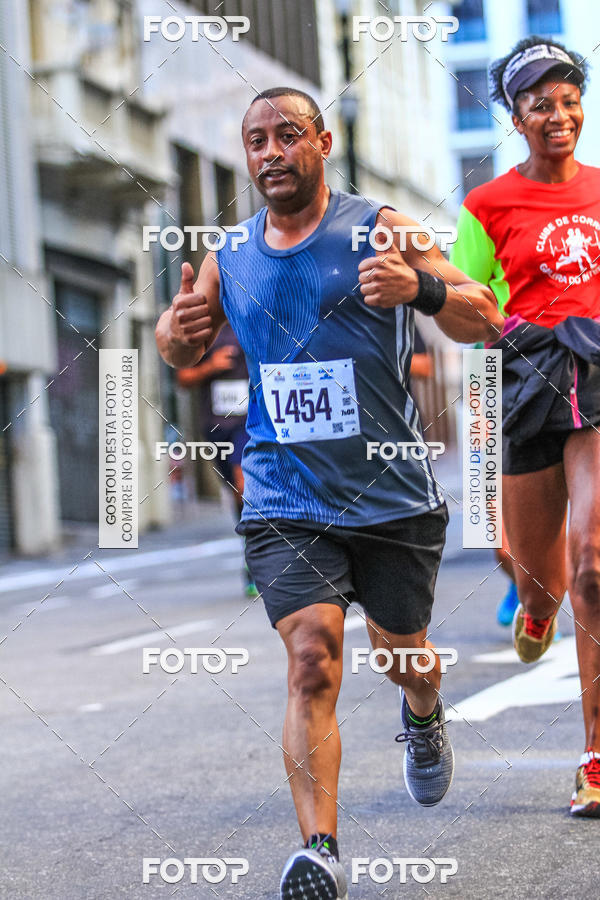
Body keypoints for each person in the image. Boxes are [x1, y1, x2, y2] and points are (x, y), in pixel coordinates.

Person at [156, 87, 501, 897]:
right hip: (284, 494)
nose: (270, 152)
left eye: (286, 136)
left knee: (404, 657)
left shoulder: (379, 227)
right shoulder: (230, 252)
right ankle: (321, 851)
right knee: (312, 658)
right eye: (256, 142)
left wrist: (420, 291)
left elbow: (483, 315)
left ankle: (421, 715)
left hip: (392, 498)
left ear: (323, 141)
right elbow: (177, 343)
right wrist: (177, 329)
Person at [451, 37, 600, 817]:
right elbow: (458, 312)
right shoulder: (486, 207)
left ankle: (597, 759)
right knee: (541, 573)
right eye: (540, 103)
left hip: (599, 375)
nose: (559, 114)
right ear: (516, 117)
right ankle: (538, 605)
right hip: (525, 380)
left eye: (569, 98)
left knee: (596, 560)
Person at [177, 324, 258, 597]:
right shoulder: (205, 330)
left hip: (250, 425)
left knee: (243, 484)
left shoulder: (256, 320)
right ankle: (252, 551)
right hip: (215, 428)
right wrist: (211, 366)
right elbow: (183, 377)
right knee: (237, 494)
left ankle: (258, 562)